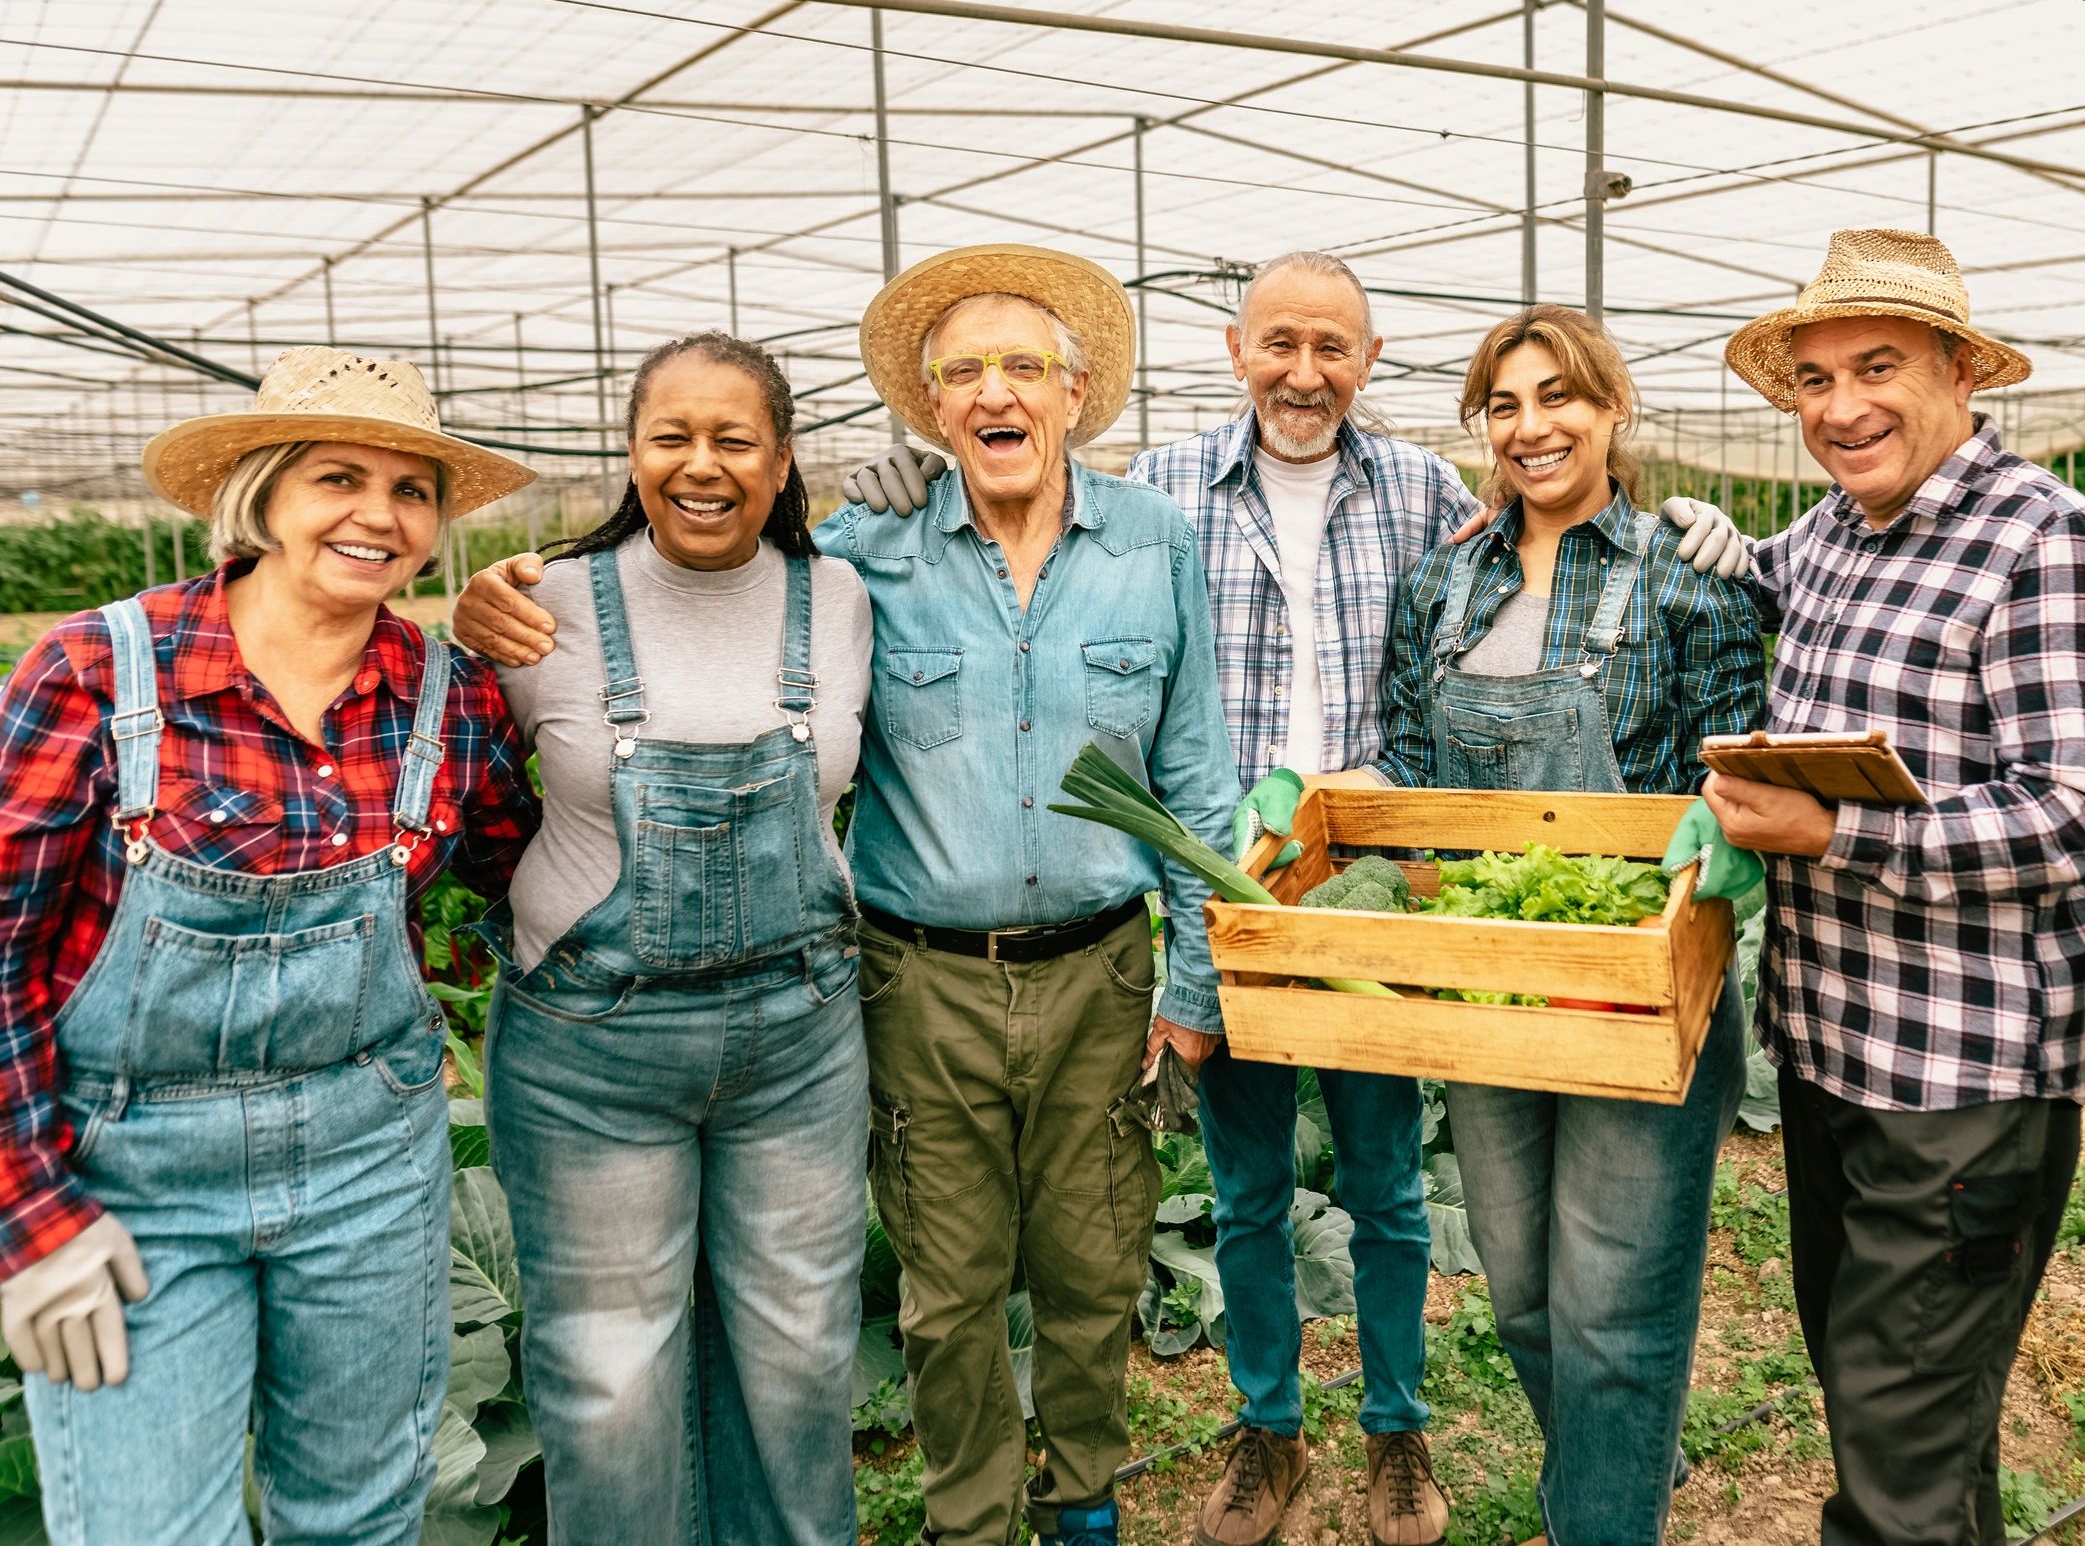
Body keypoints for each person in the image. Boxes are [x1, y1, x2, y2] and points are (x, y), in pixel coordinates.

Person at [843, 251, 1756, 1546]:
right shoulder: (1154, 493)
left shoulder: (1429, 495)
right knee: (1248, 1186)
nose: (1304, 370)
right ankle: (1266, 1430)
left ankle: (1398, 1430)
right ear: (1235, 350)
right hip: (1237, 900)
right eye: (1280, 342)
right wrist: (908, 478)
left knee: (1388, 1183)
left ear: (1370, 363)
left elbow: (1535, 625)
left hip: (1381, 889)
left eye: (1334, 346)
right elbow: (1010, 509)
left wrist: (1715, 531)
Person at [454, 245, 1237, 1546]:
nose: (997, 390)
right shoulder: (863, 551)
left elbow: (1196, 775)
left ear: (1076, 389)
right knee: (947, 1279)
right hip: (914, 972)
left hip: (1103, 966)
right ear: (932, 405)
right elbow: (683, 587)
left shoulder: (1156, 539)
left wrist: (1194, 984)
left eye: (1025, 366)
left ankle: (1083, 1495)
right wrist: (502, 598)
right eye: (966, 369)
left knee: (1098, 1264)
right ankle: (973, 1519)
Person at [0, 348, 539, 1543]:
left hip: (369, 1162)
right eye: (338, 477)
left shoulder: (447, 694)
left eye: (411, 492)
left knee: (360, 1517)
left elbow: (537, 885)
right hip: (130, 1177)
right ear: (262, 494)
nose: (378, 516)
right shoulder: (97, 672)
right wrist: (27, 1222)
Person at [1704, 229, 2085, 1546]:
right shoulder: (1839, 528)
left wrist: (1832, 831)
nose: (1840, 408)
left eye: (1876, 367)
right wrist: (1688, 541)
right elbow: (1762, 579)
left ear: (1961, 367)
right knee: (1896, 1413)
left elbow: (2073, 816)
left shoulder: (2045, 544)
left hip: (1962, 1086)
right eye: (1813, 381)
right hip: (1833, 1053)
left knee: (1897, 1453)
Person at [1339, 304, 1764, 1546]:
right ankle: (1611, 1470)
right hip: (1490, 989)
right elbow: (1413, 774)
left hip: (1639, 990)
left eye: (1559, 398)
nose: (1533, 428)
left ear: (1611, 409)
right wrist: (1343, 810)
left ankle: (1600, 1512)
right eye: (1506, 405)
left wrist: (1722, 839)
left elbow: (1733, 775)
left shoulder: (1689, 573)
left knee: (1613, 1317)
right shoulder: (1443, 579)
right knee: (1523, 1298)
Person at [459, 332, 873, 1546]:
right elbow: (467, 794)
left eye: (734, 439)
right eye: (670, 437)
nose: (703, 465)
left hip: (799, 1045)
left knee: (801, 1358)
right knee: (608, 1382)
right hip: (593, 1052)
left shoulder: (840, 597)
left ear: (782, 457)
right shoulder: (541, 605)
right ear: (631, 453)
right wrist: (460, 613)